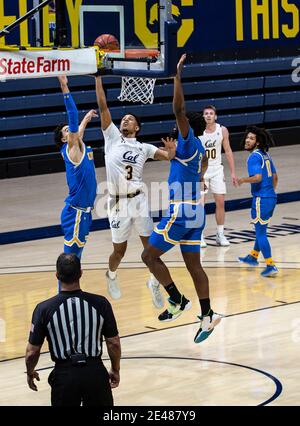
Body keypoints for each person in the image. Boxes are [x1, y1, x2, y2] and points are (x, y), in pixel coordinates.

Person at [142, 54, 221, 344]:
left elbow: (178, 108)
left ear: (186, 127)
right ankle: (208, 314)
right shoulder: (197, 149)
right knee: (194, 266)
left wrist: (177, 75)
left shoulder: (188, 139)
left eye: (180, 125)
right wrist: (175, 159)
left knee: (148, 256)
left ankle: (177, 299)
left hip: (182, 210)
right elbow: (199, 171)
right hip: (196, 212)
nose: (176, 127)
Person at [95, 76, 176, 307]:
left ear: (137, 127)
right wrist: (98, 78)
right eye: (124, 119)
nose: (125, 120)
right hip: (117, 203)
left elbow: (169, 157)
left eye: (130, 119)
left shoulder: (144, 147)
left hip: (139, 201)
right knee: (119, 252)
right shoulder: (111, 138)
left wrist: (171, 150)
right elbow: (103, 106)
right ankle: (111, 274)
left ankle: (154, 282)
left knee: (150, 250)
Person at [25, 253, 121, 407]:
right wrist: (115, 369)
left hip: (64, 376)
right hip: (95, 372)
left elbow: (32, 352)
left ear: (57, 275)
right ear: (81, 273)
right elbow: (113, 342)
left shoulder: (43, 309)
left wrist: (30, 372)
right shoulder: (101, 303)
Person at [54, 76, 98, 263]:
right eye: (66, 131)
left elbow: (78, 131)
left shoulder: (76, 145)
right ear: (65, 139)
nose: (71, 131)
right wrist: (64, 87)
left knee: (76, 260)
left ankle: (73, 292)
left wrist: (87, 119)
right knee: (69, 262)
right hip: (76, 212)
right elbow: (73, 116)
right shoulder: (72, 147)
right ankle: (64, 293)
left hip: (84, 212)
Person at [237, 126, 279, 277]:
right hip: (271, 197)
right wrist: (270, 192)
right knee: (260, 229)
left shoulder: (254, 157)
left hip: (261, 199)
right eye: (247, 137)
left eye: (252, 138)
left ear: (258, 142)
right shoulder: (266, 155)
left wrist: (242, 180)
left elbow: (257, 177)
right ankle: (253, 256)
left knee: (261, 233)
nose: (247, 140)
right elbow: (275, 177)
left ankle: (270, 265)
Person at [199, 105, 238, 247]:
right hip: (201, 171)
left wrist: (233, 172)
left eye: (211, 113)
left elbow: (228, 151)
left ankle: (220, 234)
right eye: (206, 114)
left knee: (220, 202)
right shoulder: (197, 131)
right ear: (203, 116)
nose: (208, 115)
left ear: (215, 116)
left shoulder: (222, 130)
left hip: (217, 169)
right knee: (200, 204)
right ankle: (199, 235)